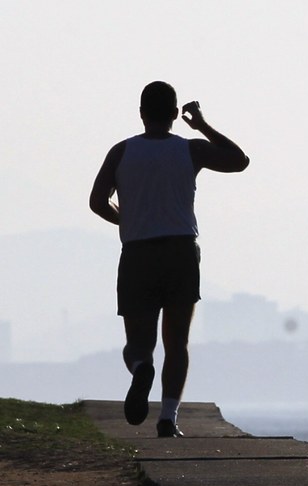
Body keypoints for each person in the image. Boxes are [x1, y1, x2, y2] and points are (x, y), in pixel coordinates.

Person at [89, 81, 249, 437]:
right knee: (177, 341)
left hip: (138, 253)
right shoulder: (190, 150)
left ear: (142, 113)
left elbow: (97, 201)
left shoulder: (122, 152)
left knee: (137, 344)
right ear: (176, 114)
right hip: (180, 250)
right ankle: (168, 418)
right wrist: (203, 126)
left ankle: (142, 367)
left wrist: (125, 218)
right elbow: (240, 161)